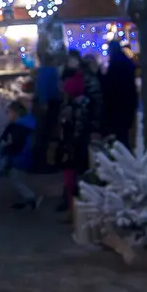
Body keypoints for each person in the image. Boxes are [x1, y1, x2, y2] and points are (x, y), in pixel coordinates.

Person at [54, 52, 97, 211]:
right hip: (76, 135)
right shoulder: (86, 86)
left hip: (74, 136)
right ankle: (72, 198)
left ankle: (71, 199)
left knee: (72, 167)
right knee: (75, 167)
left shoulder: (75, 101)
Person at [0, 100, 39, 208]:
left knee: (17, 180)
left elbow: (16, 144)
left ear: (15, 113)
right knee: (19, 179)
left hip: (19, 158)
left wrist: (6, 150)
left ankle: (30, 197)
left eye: (8, 112)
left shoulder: (17, 127)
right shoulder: (26, 124)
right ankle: (28, 198)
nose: (7, 114)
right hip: (26, 156)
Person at [101, 39, 138, 146]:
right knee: (124, 134)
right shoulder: (126, 61)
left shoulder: (115, 63)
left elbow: (111, 86)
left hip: (118, 106)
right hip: (127, 103)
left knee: (119, 135)